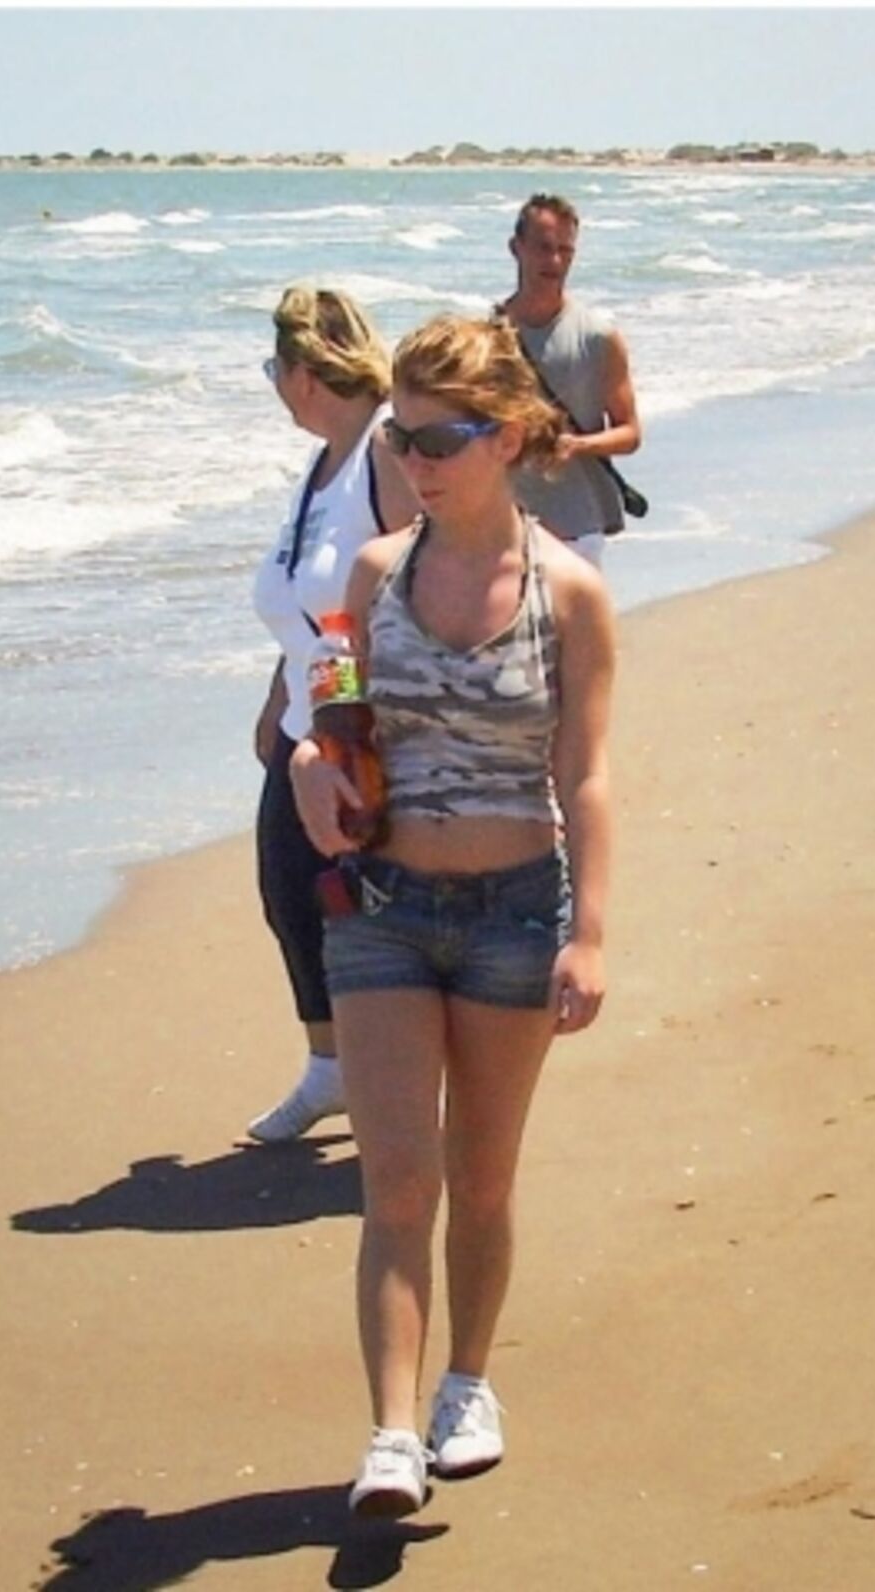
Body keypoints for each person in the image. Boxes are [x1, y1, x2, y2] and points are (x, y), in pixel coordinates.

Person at [289, 313, 615, 1518]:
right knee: (395, 1183)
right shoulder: (374, 575)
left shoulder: (568, 592)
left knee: (479, 1178)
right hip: (380, 908)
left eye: (442, 438)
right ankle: (388, 1429)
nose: (416, 460)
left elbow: (584, 773)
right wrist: (306, 773)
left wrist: (588, 931)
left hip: (513, 915)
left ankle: (465, 1386)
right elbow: (326, 723)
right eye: (402, 437)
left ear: (510, 436)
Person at [245, 286, 420, 1146]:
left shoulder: (383, 451)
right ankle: (331, 1070)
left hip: (368, 732)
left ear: (306, 373)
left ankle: (402, 1085)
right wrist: (278, 700)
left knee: (375, 914)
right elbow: (306, 606)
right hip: (303, 722)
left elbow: (427, 579)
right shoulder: (321, 465)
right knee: (289, 892)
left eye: (273, 368)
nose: (275, 385)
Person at [498, 193, 643, 568]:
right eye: (544, 248)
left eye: (565, 250)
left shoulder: (597, 337)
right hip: (504, 523)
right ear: (516, 248)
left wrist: (576, 445)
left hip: (578, 524)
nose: (555, 261)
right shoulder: (488, 335)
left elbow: (629, 433)